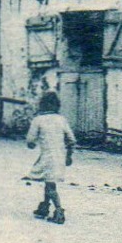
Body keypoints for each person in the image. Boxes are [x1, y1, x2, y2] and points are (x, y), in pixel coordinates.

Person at [26, 90, 76, 224]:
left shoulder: (38, 120)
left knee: (50, 185)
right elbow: (71, 139)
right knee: (49, 182)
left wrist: (32, 144)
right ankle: (44, 207)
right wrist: (69, 155)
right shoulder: (62, 119)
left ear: (42, 104)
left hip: (47, 157)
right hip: (60, 156)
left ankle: (59, 211)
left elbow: (30, 140)